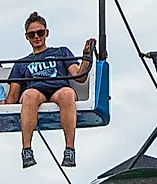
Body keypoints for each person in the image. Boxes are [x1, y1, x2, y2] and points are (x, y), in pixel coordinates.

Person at [9, 12, 96, 169]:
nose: (36, 36)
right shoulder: (22, 64)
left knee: (67, 94)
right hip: (36, 91)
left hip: (58, 89)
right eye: (32, 34)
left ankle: (69, 149)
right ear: (26, 37)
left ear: (46, 33)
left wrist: (86, 56)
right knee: (29, 95)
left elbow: (79, 76)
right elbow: (13, 95)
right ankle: (26, 149)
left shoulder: (61, 53)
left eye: (40, 32)